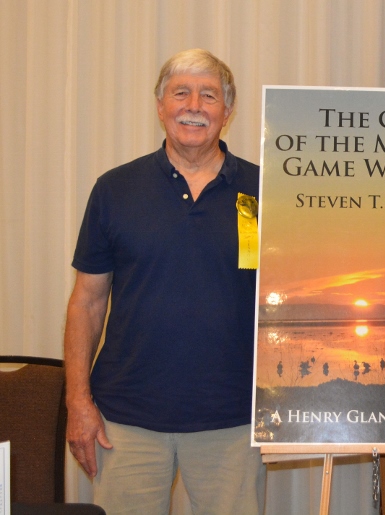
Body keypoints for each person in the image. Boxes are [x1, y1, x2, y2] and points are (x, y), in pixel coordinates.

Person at [64, 49, 264, 514]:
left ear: (227, 112)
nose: (194, 105)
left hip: (233, 423)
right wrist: (78, 402)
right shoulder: (114, 190)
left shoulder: (262, 190)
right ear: (160, 106)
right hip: (126, 424)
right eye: (181, 93)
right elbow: (86, 304)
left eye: (209, 95)